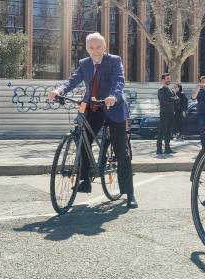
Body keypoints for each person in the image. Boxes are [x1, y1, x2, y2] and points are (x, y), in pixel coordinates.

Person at [47, 32, 137, 209]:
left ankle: (130, 193)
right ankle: (85, 180)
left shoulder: (114, 60)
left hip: (114, 107)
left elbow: (118, 81)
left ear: (104, 47)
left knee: (121, 151)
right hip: (94, 107)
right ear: (86, 48)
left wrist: (113, 95)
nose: (95, 50)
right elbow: (72, 80)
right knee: (83, 140)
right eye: (91, 47)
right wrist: (59, 91)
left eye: (98, 47)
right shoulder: (84, 64)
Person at [156, 74, 179, 155]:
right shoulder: (161, 90)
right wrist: (173, 99)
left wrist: (172, 99)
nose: (169, 80)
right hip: (164, 114)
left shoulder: (171, 90)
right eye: (167, 79)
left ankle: (167, 149)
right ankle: (159, 150)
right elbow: (165, 100)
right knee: (161, 132)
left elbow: (178, 99)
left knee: (169, 132)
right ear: (163, 80)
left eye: (169, 78)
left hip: (171, 113)